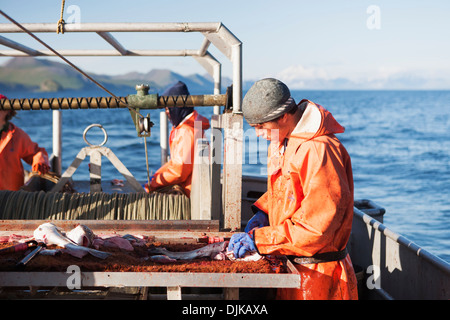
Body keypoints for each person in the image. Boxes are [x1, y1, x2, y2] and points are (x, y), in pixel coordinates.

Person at [228, 78, 358, 300]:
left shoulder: (319, 151)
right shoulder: (282, 140)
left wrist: (261, 239)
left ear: (283, 116)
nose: (258, 134)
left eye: (261, 126)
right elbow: (287, 190)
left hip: (320, 277)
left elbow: (316, 230)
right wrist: (264, 212)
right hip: (292, 266)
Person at [144, 81, 210, 197]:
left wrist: (152, 184)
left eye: (168, 108)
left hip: (189, 194)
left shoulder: (187, 131)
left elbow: (179, 171)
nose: (167, 112)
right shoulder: (192, 126)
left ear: (177, 107)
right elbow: (175, 163)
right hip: (195, 189)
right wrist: (156, 177)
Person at [0, 94, 50, 191]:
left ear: (7, 111)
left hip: (11, 197)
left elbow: (36, 152)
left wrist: (40, 161)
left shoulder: (17, 135)